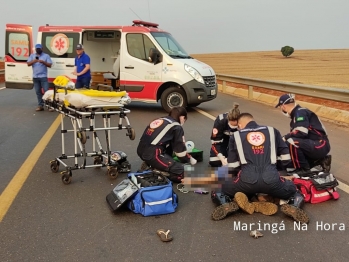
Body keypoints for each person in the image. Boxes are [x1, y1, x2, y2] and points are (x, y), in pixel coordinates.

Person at [183, 113, 309, 224]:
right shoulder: (273, 131)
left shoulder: (236, 136)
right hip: (272, 180)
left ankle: (226, 204)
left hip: (246, 181)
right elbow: (286, 159)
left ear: (240, 125)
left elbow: (233, 168)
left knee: (218, 188)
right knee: (295, 190)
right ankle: (294, 205)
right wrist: (274, 170)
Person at [137, 106, 197, 183]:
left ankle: (153, 164)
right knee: (180, 170)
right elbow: (180, 153)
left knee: (168, 146)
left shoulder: (160, 119)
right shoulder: (176, 127)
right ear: (182, 117)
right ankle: (158, 172)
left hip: (140, 149)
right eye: (184, 119)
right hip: (153, 154)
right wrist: (189, 159)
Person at [275, 93, 331, 174]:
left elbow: (301, 132)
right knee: (290, 158)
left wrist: (284, 138)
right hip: (317, 144)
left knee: (291, 142)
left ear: (283, 106)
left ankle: (303, 169)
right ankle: (321, 160)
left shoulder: (299, 113)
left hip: (320, 144)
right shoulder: (298, 113)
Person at [209, 102, 240, 167]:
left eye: (235, 125)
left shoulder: (242, 122)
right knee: (214, 161)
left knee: (235, 164)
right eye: (231, 124)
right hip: (223, 140)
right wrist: (220, 156)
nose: (233, 127)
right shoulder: (220, 121)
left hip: (236, 142)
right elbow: (215, 142)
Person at [27, 43, 53, 111]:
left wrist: (43, 62)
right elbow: (28, 64)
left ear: (42, 49)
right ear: (35, 49)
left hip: (43, 76)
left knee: (46, 91)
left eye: (39, 48)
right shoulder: (32, 56)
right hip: (35, 77)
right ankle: (40, 105)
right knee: (38, 92)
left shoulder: (46, 56)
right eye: (37, 49)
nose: (38, 50)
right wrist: (34, 61)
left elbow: (50, 65)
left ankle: (49, 106)